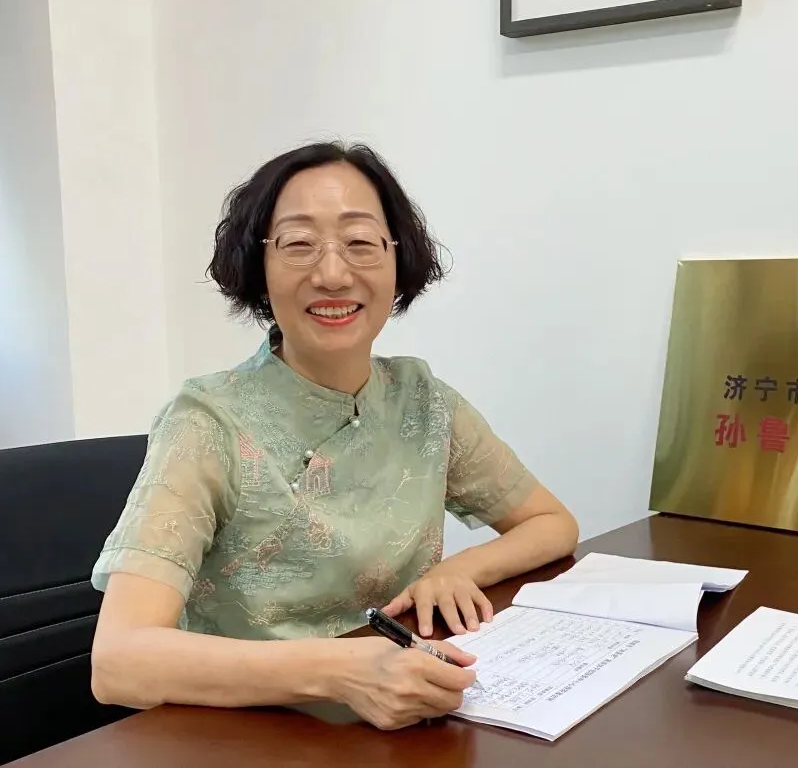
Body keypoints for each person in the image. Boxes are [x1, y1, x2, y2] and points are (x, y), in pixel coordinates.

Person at [89, 140, 580, 731]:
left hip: (399, 718)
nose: (332, 274)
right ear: (258, 268)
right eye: (298, 244)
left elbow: (552, 523)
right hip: (249, 731)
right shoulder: (206, 422)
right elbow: (117, 662)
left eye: (360, 242)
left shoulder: (423, 401)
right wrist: (344, 671)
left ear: (397, 260)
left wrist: (457, 571)